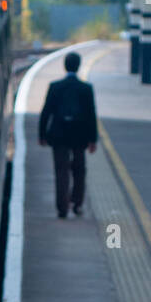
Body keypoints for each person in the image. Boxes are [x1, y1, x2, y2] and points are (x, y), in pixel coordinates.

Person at [38, 52, 98, 218]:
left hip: (59, 135)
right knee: (79, 170)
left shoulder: (55, 86)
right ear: (78, 67)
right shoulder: (86, 89)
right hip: (79, 136)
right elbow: (91, 115)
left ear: (65, 66)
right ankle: (77, 204)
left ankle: (62, 207)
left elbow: (46, 112)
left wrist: (42, 134)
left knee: (61, 171)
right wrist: (93, 140)